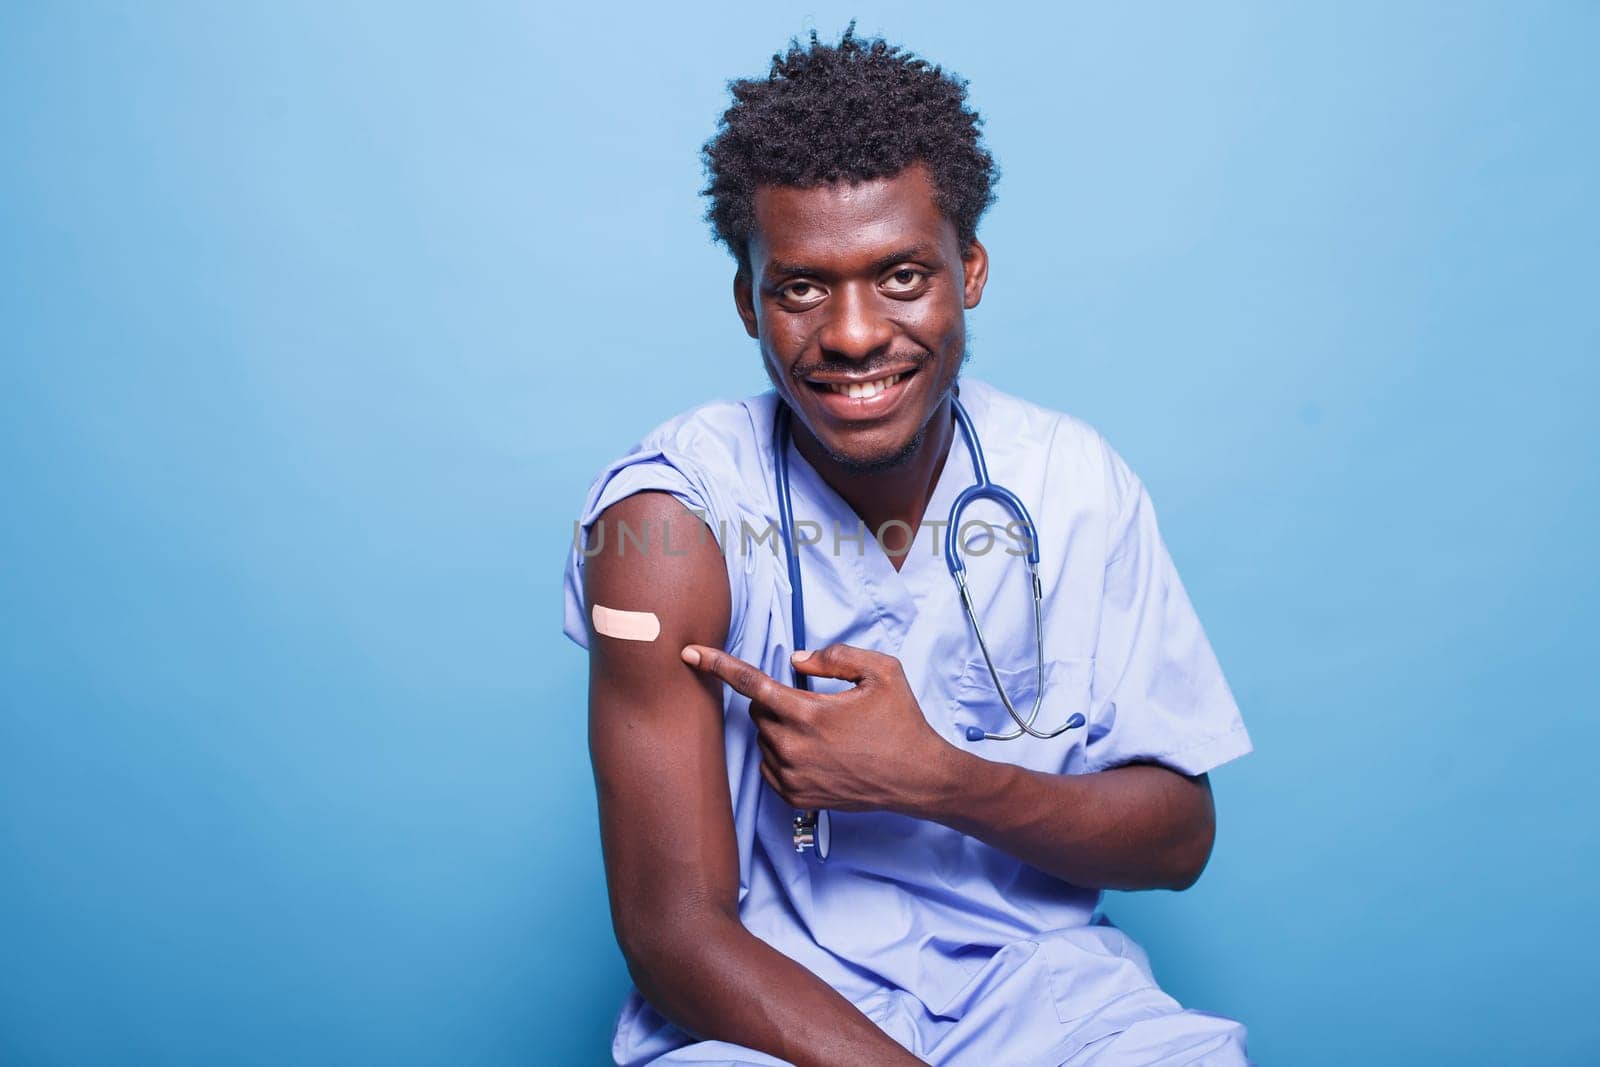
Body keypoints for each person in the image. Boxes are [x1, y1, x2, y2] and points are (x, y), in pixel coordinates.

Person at [561, 26, 1253, 1066]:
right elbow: (673, 934)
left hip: (1046, 994)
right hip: (769, 1016)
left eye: (898, 275)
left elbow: (1177, 839)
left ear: (966, 271)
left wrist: (937, 776)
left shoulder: (1073, 482)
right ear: (748, 300)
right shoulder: (659, 528)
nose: (849, 333)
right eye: (799, 286)